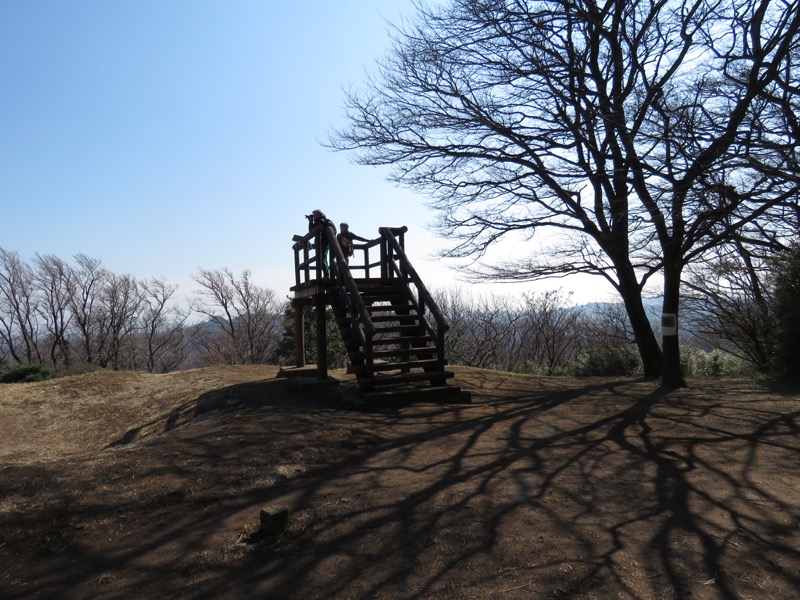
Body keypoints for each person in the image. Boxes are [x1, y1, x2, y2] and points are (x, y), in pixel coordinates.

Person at [308, 209, 334, 278]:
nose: (313, 216)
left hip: (322, 242)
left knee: (322, 259)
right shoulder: (325, 221)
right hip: (325, 242)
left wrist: (310, 221)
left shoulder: (319, 222)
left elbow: (311, 231)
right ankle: (327, 274)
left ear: (318, 215)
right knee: (323, 258)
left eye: (314, 215)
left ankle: (326, 275)